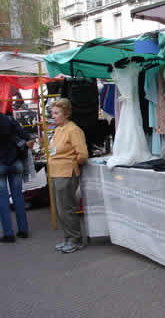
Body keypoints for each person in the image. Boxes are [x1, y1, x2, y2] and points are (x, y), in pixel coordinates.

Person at [48, 98, 88, 254]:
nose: (53, 115)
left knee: (67, 208)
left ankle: (75, 240)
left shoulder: (74, 130)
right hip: (55, 172)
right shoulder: (59, 129)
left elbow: (83, 155)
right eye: (52, 112)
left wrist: (71, 164)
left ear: (66, 114)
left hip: (66, 173)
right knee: (60, 210)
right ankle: (68, 238)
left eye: (56, 113)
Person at [0, 112, 33, 243]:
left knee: (2, 199)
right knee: (18, 196)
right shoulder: (9, 119)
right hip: (16, 162)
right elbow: (26, 137)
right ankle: (23, 230)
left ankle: (8, 234)